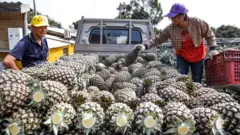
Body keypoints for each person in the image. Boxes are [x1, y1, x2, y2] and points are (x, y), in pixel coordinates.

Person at [133, 3, 219, 83]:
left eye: (174, 17)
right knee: (180, 78)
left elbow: (209, 35)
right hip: (182, 55)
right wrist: (145, 46)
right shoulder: (170, 28)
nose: (171, 19)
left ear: (182, 16)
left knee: (197, 79)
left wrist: (213, 48)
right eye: (171, 17)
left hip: (198, 55)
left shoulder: (197, 23)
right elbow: (158, 39)